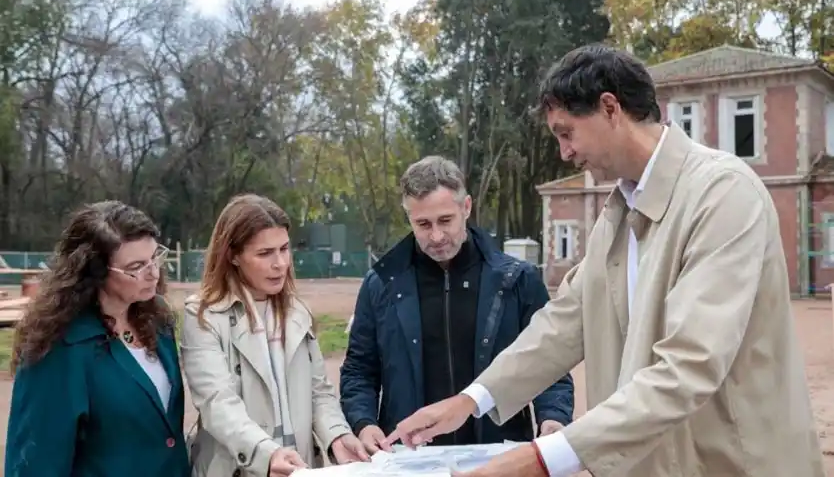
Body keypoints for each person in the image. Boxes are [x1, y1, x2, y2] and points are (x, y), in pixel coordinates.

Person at [385, 44, 826, 477]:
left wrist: (544, 458)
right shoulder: (619, 214)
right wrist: (472, 399)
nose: (564, 153)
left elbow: (689, 365)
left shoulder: (723, 195)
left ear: (610, 108)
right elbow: (565, 322)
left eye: (566, 132)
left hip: (731, 463)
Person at [339, 156, 575, 455]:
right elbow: (359, 369)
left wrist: (553, 417)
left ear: (466, 208)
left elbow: (548, 361)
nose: (436, 236)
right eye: (422, 224)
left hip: (498, 455)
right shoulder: (380, 284)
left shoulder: (518, 280)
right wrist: (364, 422)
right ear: (408, 216)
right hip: (409, 458)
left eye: (445, 220)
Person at [181, 194, 369, 477]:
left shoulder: (297, 312)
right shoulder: (203, 315)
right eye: (265, 253)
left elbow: (319, 392)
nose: (280, 263)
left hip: (300, 468)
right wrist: (265, 455)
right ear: (232, 255)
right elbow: (217, 403)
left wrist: (337, 435)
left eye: (284, 249)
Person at [5, 201, 189, 477]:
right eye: (136, 266)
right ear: (96, 272)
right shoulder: (58, 348)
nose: (153, 272)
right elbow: (36, 463)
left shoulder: (158, 319)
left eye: (155, 258)